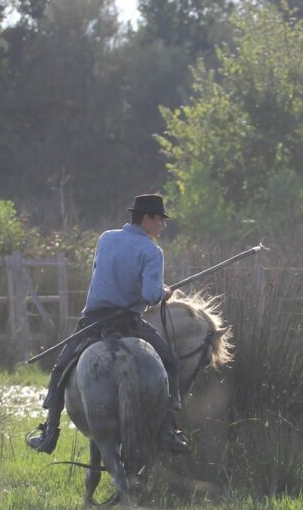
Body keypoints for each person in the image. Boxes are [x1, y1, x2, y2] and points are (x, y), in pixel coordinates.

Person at [27, 194, 189, 454]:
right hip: (129, 323)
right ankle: (168, 430)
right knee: (170, 361)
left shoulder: (105, 238)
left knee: (60, 369)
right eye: (160, 219)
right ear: (146, 218)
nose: (163, 225)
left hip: (93, 320)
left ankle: (49, 432)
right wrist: (164, 293)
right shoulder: (152, 251)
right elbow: (150, 295)